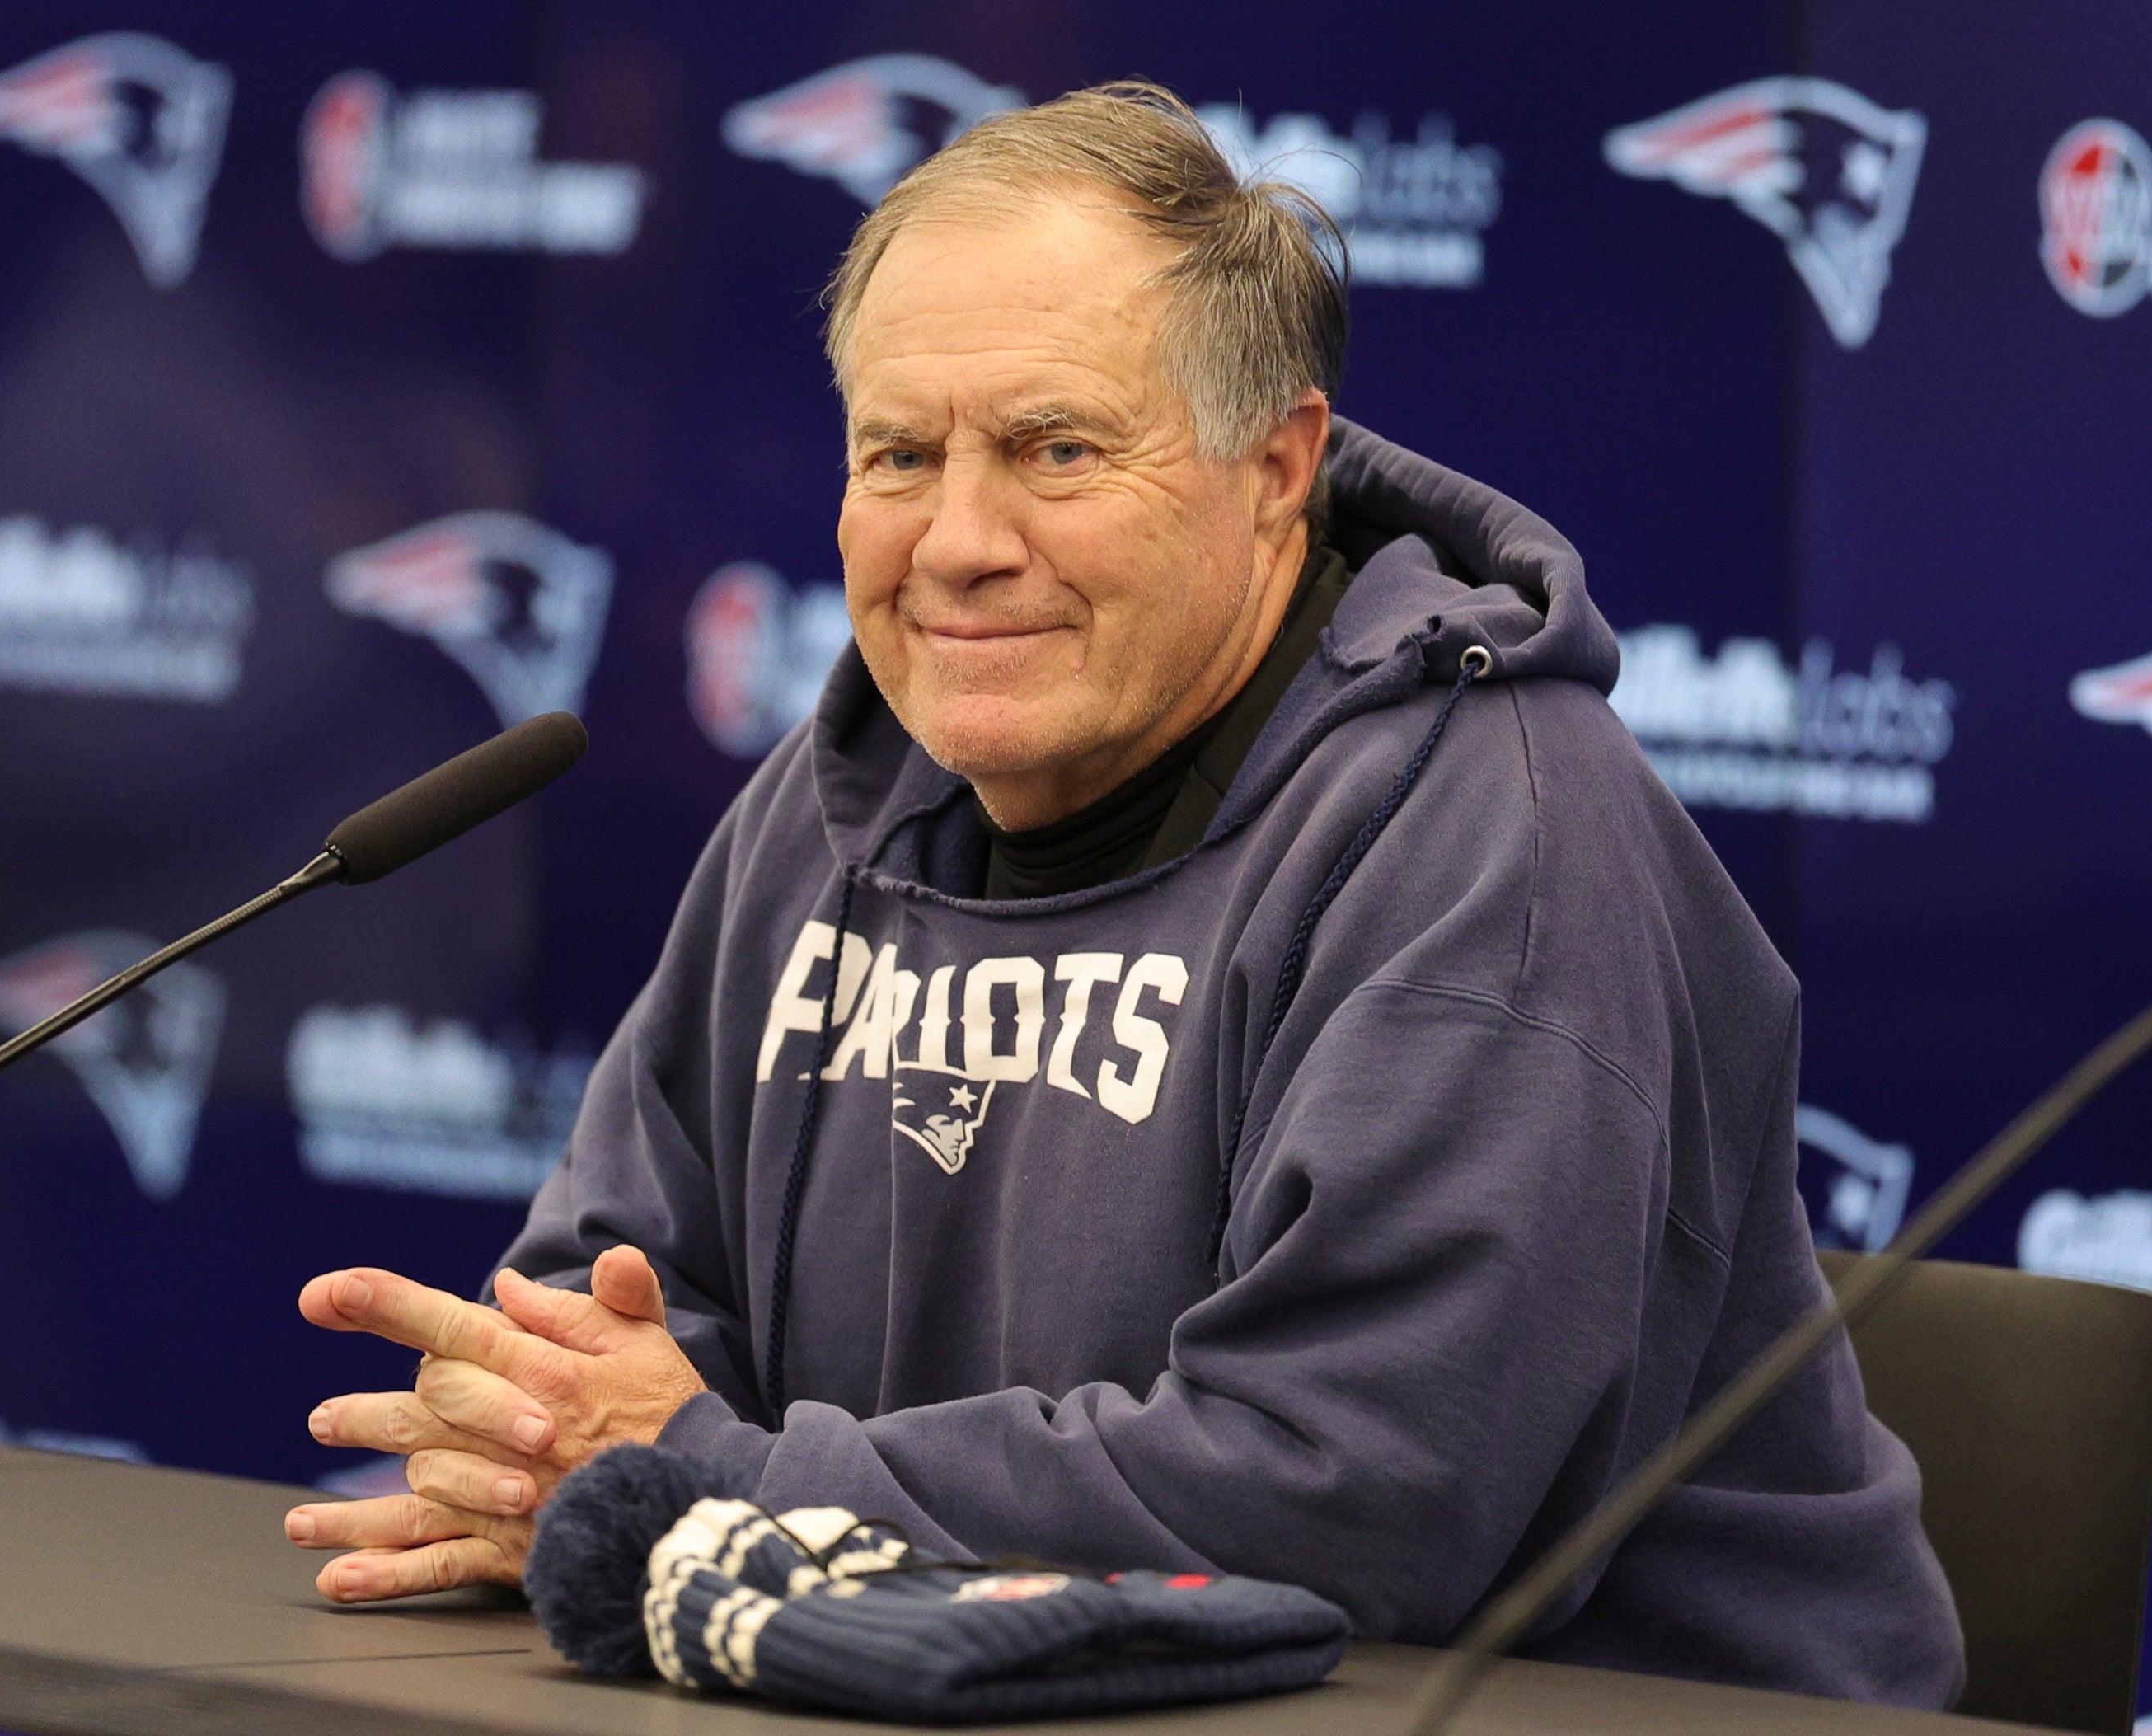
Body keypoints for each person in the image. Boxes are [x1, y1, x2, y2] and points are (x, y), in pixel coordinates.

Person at [279, 82, 1963, 1705]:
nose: (956, 540)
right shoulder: (835, 802)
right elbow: (597, 1325)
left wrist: (695, 1470)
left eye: (1055, 449)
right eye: (896, 457)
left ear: (1276, 468)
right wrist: (550, 1431)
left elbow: (1348, 1502)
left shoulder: (1491, 843)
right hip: (948, 1686)